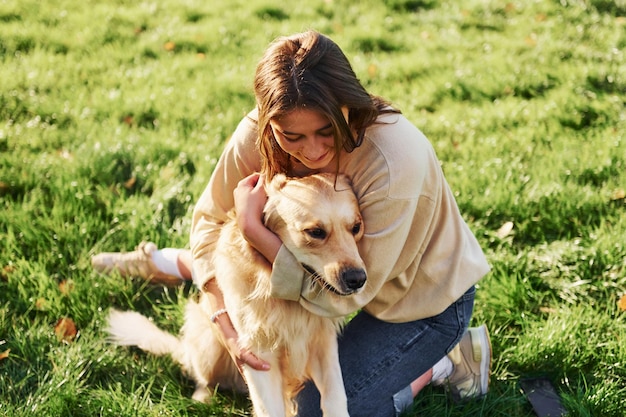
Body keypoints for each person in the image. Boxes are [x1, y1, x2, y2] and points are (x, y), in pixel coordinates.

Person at [92, 30, 492, 416]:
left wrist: (253, 231)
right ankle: (169, 261)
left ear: (349, 106)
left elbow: (343, 296)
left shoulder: (394, 164)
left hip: (419, 303)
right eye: (292, 137)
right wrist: (220, 310)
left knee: (311, 411)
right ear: (270, 123)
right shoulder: (262, 132)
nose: (312, 150)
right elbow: (210, 220)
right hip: (317, 273)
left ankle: (446, 361)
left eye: (325, 130)